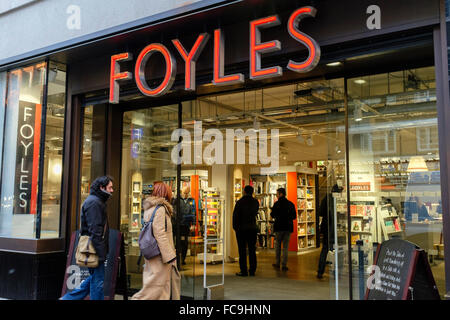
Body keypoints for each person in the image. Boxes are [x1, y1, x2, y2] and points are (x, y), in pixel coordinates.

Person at [60, 176, 114, 300]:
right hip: (94, 250)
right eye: (110, 187)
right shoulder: (94, 203)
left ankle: (67, 299)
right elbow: (95, 230)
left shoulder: (96, 201)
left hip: (95, 249)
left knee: (94, 279)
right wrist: (101, 254)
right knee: (98, 282)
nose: (112, 190)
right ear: (102, 187)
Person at [132, 182, 180, 300]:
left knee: (162, 289)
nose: (172, 193)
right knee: (153, 289)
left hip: (153, 254)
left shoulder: (150, 208)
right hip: (160, 256)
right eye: (169, 191)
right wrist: (170, 256)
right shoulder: (160, 209)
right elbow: (160, 234)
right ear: (165, 192)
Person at [232, 185, 259, 276]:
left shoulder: (240, 202)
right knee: (252, 250)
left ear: (244, 191)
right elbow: (255, 213)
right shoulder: (255, 202)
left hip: (241, 229)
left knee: (242, 250)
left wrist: (235, 228)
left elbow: (235, 216)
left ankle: (243, 270)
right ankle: (252, 270)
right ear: (252, 192)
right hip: (252, 228)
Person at [317, 184, 342, 279]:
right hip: (335, 229)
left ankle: (320, 271)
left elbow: (320, 212)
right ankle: (336, 272)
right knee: (337, 250)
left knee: (325, 250)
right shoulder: (339, 200)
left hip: (327, 228)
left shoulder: (326, 198)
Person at [270, 188, 296, 271]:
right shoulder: (290, 204)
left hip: (278, 227)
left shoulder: (276, 204)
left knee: (277, 246)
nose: (276, 196)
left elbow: (273, 215)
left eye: (277, 194)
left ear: (281, 194)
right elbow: (294, 216)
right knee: (285, 247)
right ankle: (284, 265)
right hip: (288, 227)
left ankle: (277, 263)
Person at [176, 186, 196, 266]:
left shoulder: (191, 201)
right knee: (178, 242)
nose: (185, 195)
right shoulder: (177, 200)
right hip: (178, 225)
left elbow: (193, 212)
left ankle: (183, 259)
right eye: (184, 193)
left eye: (187, 193)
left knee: (185, 243)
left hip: (186, 225)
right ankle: (177, 258)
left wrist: (193, 224)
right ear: (181, 192)